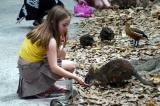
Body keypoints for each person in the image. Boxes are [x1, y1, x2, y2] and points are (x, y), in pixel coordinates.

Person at [17, 6, 89, 98]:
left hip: (25, 67)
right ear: (53, 22)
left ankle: (50, 86)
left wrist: (61, 45)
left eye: (68, 25)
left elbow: (59, 55)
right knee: (71, 66)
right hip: (31, 71)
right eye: (64, 25)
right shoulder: (51, 40)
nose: (66, 28)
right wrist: (75, 77)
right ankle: (45, 88)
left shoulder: (42, 29)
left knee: (61, 59)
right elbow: (54, 67)